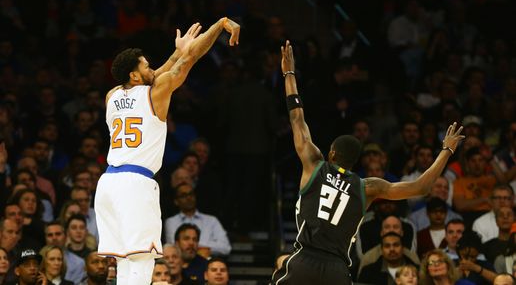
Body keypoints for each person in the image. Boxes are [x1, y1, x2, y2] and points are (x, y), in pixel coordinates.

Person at [270, 40, 464, 285]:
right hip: (337, 269)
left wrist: (289, 73)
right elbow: (421, 187)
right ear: (355, 162)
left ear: (331, 154)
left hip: (304, 258)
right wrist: (446, 150)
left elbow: (297, 118)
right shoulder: (367, 186)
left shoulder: (314, 165)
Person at [94, 18, 240, 285]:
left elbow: (158, 73)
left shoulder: (112, 95)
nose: (153, 69)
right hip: (135, 184)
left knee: (125, 261)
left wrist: (177, 51)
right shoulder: (155, 94)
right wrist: (217, 27)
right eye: (146, 66)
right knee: (141, 261)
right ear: (135, 75)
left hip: (107, 184)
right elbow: (190, 59)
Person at [164, 183, 231, 257]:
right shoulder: (171, 222)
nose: (188, 197)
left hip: (207, 266)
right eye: (183, 195)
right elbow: (173, 246)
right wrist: (205, 247)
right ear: (176, 201)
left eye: (191, 194)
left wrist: (189, 245)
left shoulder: (212, 221)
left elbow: (226, 248)